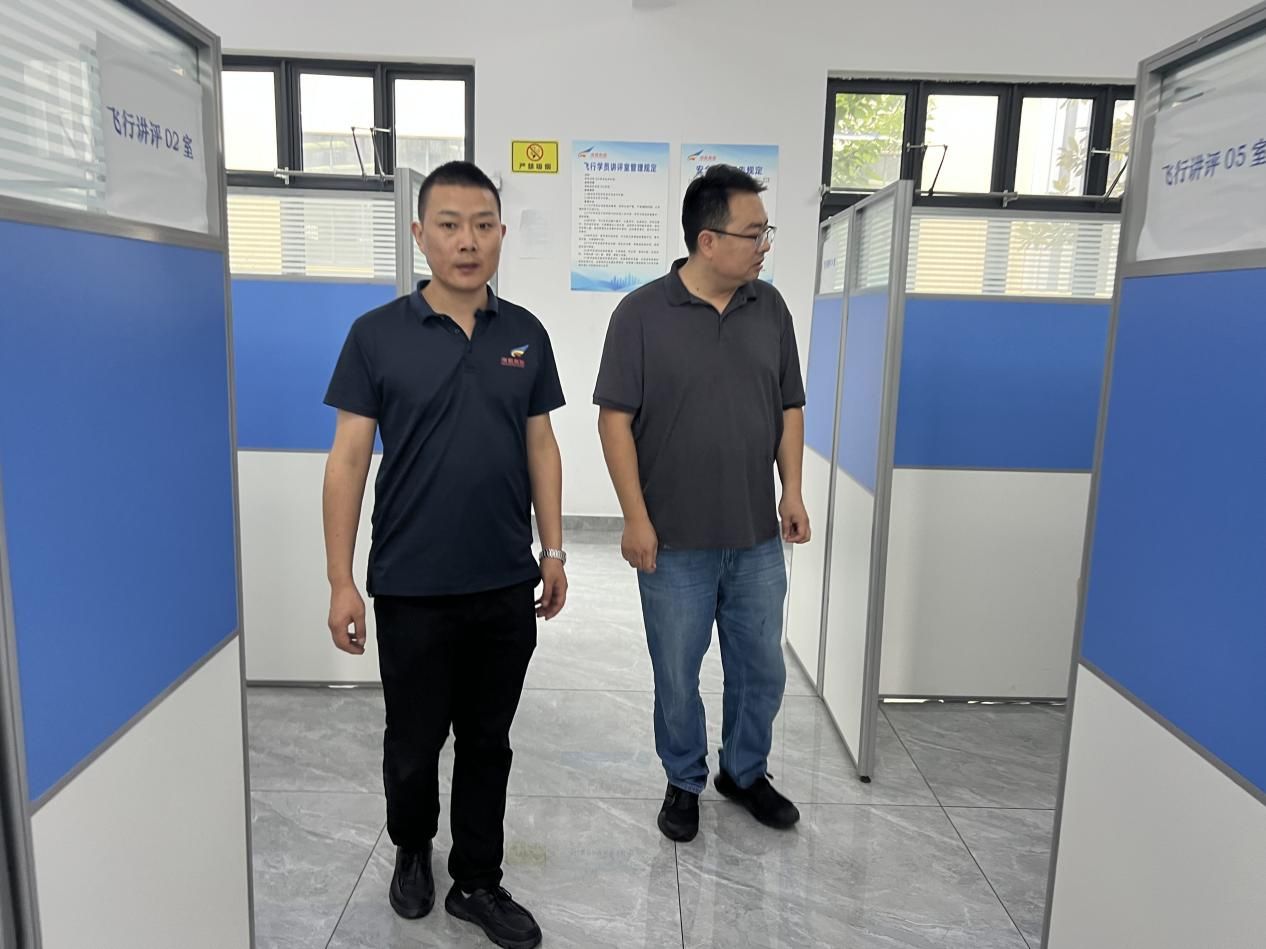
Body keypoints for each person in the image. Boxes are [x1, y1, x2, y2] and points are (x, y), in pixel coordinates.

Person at [322, 160, 566, 949]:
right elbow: (348, 461)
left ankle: (478, 879)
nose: (468, 241)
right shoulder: (376, 335)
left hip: (503, 580)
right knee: (414, 738)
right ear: (420, 233)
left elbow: (542, 444)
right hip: (410, 583)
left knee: (489, 741)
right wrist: (340, 580)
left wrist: (554, 548)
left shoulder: (525, 333)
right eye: (451, 225)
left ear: (501, 233)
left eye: (483, 225)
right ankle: (411, 848)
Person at [594, 164, 811, 843]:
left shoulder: (769, 308)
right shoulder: (639, 315)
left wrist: (791, 489)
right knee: (677, 673)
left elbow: (789, 405)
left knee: (761, 669)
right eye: (753, 233)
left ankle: (743, 772)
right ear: (707, 241)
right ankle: (683, 779)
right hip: (673, 541)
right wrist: (635, 518)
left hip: (755, 538)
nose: (764, 246)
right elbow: (614, 421)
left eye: (766, 232)